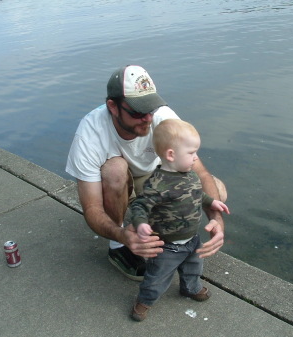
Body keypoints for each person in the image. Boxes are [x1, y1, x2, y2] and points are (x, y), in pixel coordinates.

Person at [66, 65, 227, 282]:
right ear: (113, 106)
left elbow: (202, 173)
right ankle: (119, 248)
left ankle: (159, 230)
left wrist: (216, 218)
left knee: (218, 190)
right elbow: (91, 207)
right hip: (117, 184)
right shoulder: (90, 133)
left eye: (150, 110)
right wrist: (120, 234)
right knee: (115, 170)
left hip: (155, 180)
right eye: (138, 112)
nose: (148, 119)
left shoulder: (163, 118)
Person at [130, 119, 230, 321]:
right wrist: (140, 224)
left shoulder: (190, 175)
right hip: (166, 245)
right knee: (157, 278)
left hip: (192, 240)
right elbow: (139, 205)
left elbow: (197, 194)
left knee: (194, 269)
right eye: (191, 153)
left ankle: (190, 288)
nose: (195, 158)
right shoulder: (158, 184)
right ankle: (145, 301)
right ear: (170, 155)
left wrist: (212, 202)